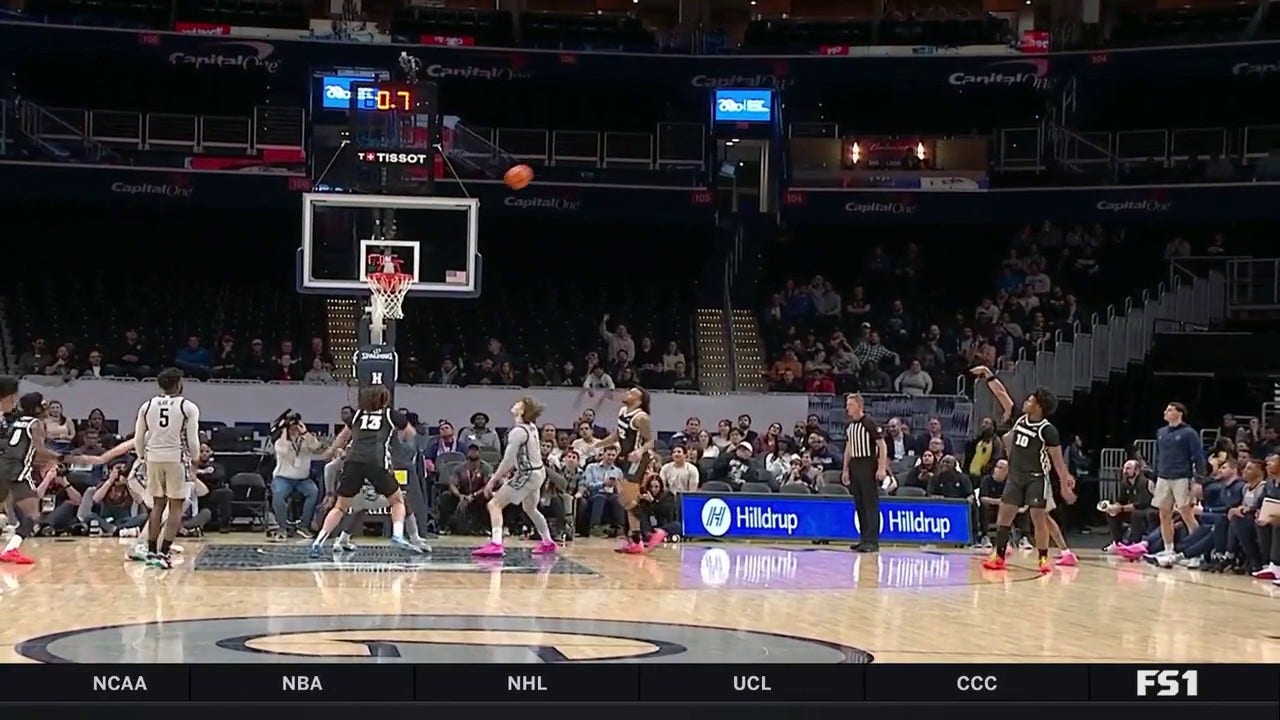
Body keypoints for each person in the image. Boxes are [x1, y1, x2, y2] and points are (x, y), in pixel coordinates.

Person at [970, 367, 1074, 574]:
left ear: (1039, 406)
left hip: (1036, 478)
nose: (1025, 402)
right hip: (1015, 477)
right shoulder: (1018, 418)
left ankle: (1043, 558)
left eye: (1030, 400)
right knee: (1004, 517)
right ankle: (999, 556)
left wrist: (1065, 485)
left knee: (1039, 518)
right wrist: (987, 374)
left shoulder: (1047, 430)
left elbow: (1058, 461)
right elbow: (1001, 393)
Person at [308, 385, 421, 557]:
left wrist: (330, 451)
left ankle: (318, 542)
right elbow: (410, 433)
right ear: (385, 399)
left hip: (353, 461)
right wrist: (398, 444)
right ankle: (398, 535)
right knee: (398, 500)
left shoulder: (357, 415)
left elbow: (342, 437)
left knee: (340, 506)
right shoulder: (390, 414)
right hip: (376, 461)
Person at [471, 396, 558, 558]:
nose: (515, 404)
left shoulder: (518, 432)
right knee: (530, 508)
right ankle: (548, 542)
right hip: (538, 472)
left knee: (494, 504)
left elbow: (508, 460)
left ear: (523, 410)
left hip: (527, 474)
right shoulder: (531, 427)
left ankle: (496, 543)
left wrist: (493, 480)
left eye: (519, 403)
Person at [133, 368, 202, 569]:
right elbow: (193, 439)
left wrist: (141, 456)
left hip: (153, 457)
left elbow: (139, 437)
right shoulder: (187, 406)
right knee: (177, 506)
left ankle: (151, 549)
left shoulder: (147, 405)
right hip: (176, 458)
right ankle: (164, 552)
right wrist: (196, 458)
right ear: (179, 384)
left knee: (157, 504)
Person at [0, 382, 60, 565]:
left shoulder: (16, 421)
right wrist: (60, 457)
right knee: (33, 515)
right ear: (36, 408)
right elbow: (39, 450)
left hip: (5, 466)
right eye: (43, 405)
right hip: (18, 472)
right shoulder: (36, 423)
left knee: (18, 510)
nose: (45, 408)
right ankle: (11, 549)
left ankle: (11, 547)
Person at [593, 387, 659, 552]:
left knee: (627, 499)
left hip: (638, 459)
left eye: (632, 393)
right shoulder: (623, 411)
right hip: (626, 459)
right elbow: (618, 434)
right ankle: (637, 539)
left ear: (639, 399)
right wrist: (600, 444)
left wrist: (639, 451)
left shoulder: (641, 417)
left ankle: (650, 533)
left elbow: (650, 442)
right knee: (626, 500)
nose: (627, 393)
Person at [1150, 402, 1205, 564]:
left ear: (1179, 413)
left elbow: (1198, 456)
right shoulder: (1161, 432)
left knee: (1186, 513)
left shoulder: (1189, 433)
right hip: (1163, 477)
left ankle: (1197, 551)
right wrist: (1155, 476)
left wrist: (1199, 480)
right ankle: (1168, 549)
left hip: (1182, 477)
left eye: (1170, 410)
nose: (1165, 412)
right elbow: (1158, 456)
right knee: (1164, 514)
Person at [842, 393, 887, 553]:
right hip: (855, 464)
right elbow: (849, 448)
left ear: (859, 406)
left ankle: (872, 541)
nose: (848, 408)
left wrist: (881, 468)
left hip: (868, 464)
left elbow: (882, 446)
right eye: (847, 405)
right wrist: (845, 469)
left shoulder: (869, 422)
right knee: (859, 503)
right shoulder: (850, 426)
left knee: (870, 504)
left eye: (851, 405)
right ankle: (863, 539)